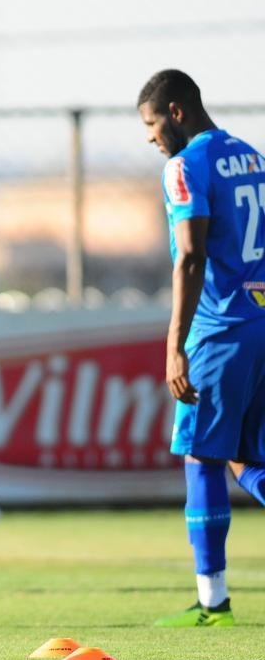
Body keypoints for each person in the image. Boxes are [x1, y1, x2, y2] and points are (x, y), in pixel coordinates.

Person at [137, 69, 265, 627]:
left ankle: (212, 602)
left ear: (177, 112)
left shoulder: (184, 166)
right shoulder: (254, 156)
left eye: (152, 122)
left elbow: (189, 256)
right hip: (261, 320)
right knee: (249, 457)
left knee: (202, 455)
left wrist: (175, 345)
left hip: (220, 329)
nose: (150, 137)